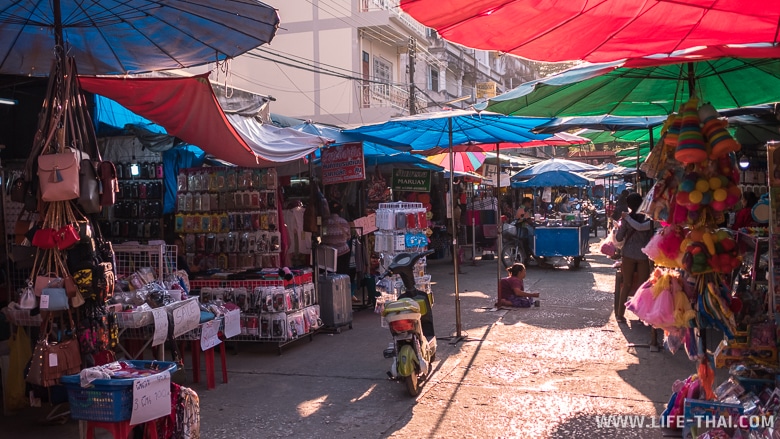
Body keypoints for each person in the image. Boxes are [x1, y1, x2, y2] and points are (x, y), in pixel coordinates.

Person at [615, 193, 656, 344]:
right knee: (642, 286)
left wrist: (624, 221)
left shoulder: (627, 219)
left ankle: (620, 315)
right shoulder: (648, 219)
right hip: (643, 255)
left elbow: (619, 238)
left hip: (628, 254)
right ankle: (641, 316)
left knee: (626, 284)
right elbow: (644, 229)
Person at [322, 200, 352, 276]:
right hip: (343, 252)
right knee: (343, 273)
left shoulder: (325, 223)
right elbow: (348, 237)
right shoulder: (344, 222)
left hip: (329, 253)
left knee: (330, 275)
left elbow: (323, 236)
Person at [514, 197, 535, 261]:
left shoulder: (522, 208)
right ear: (526, 202)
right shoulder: (523, 209)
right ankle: (532, 253)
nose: (530, 205)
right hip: (522, 230)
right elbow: (528, 219)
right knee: (532, 238)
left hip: (523, 229)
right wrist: (534, 224)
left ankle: (529, 255)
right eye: (530, 204)